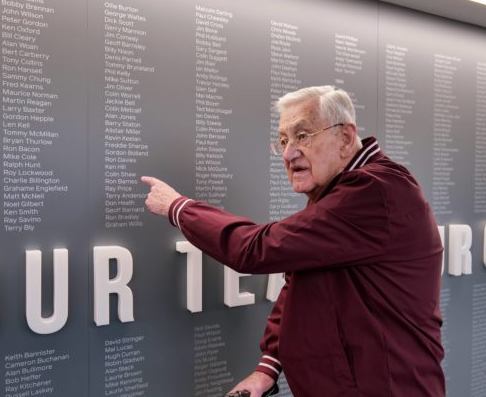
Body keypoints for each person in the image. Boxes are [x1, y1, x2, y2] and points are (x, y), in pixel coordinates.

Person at [141, 86, 445, 396]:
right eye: (283, 141)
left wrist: (178, 207)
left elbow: (256, 248)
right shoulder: (336, 190)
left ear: (344, 137)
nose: (288, 153)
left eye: (303, 136)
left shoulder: (374, 191)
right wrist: (268, 367)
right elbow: (300, 279)